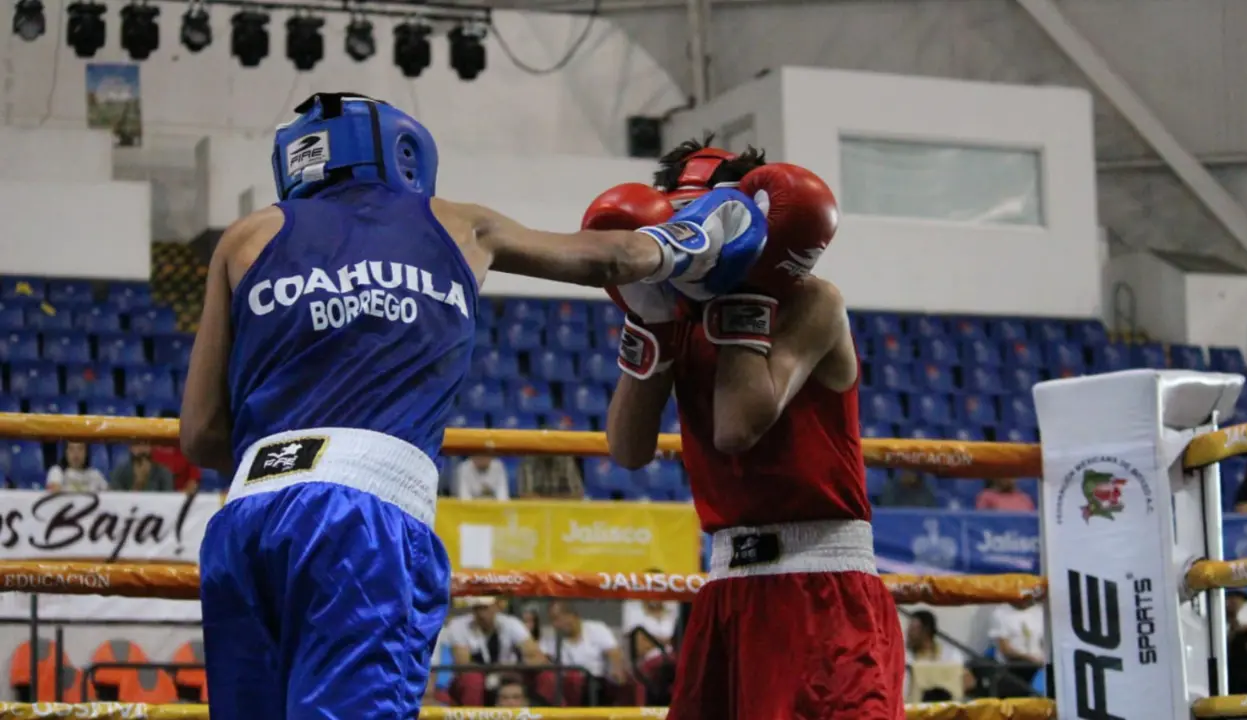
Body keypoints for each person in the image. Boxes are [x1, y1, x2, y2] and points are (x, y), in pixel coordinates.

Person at [181, 94, 769, 720]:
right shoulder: (459, 223)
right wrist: (703, 234)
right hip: (362, 520)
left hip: (245, 522)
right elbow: (615, 258)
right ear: (402, 151)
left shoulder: (244, 238)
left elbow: (201, 435)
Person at [599, 139, 905, 719]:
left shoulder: (812, 301)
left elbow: (738, 427)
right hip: (727, 591)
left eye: (705, 220)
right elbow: (628, 448)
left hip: (821, 586)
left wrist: (744, 285)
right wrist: (652, 322)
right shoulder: (675, 314)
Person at [109, 442, 175, 492]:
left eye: (145, 444)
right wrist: (138, 484)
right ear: (130, 448)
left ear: (150, 447)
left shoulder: (163, 472)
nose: (141, 449)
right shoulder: (120, 471)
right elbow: (116, 500)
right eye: (137, 444)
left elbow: (167, 500)